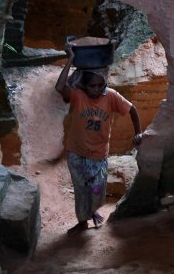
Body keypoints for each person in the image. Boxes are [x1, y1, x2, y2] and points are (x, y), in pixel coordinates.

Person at [55, 43, 143, 232]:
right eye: (91, 86)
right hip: (76, 153)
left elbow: (133, 110)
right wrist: (70, 59)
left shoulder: (110, 96)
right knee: (80, 189)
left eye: (100, 85)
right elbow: (60, 86)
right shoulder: (78, 96)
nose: (96, 89)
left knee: (96, 190)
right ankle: (82, 221)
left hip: (98, 154)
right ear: (84, 85)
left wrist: (138, 132)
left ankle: (93, 210)